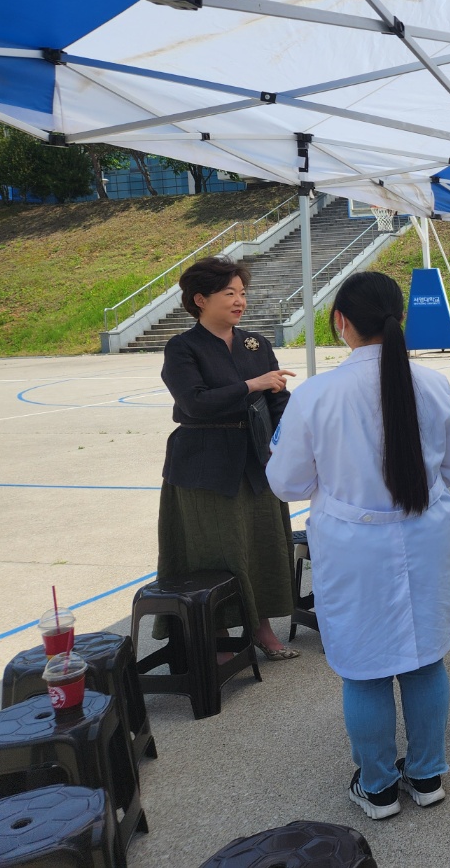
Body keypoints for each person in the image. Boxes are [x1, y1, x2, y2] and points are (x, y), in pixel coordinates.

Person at [266, 272, 450, 821]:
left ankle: (377, 787)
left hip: (353, 545)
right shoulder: (432, 385)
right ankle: (427, 775)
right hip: (421, 534)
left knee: (365, 665)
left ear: (341, 322)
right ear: (399, 318)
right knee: (424, 657)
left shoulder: (317, 394)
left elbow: (286, 482)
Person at [158, 256, 298, 661]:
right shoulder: (183, 347)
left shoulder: (256, 343)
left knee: (261, 543)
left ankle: (262, 628)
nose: (240, 301)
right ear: (200, 299)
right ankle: (216, 634)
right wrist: (251, 385)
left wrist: (285, 441)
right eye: (229, 293)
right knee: (211, 551)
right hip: (204, 464)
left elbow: (278, 400)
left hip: (257, 460)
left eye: (242, 293)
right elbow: (194, 403)